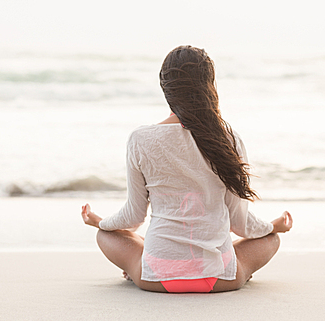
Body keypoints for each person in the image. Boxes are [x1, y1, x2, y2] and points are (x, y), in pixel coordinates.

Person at [81, 45, 292, 293]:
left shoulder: (140, 139)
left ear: (165, 89)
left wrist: (100, 222)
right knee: (270, 240)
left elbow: (133, 217)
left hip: (156, 278)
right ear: (210, 86)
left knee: (106, 235)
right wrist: (273, 227)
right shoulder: (228, 138)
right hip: (221, 279)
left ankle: (140, 263)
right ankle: (238, 272)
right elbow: (240, 224)